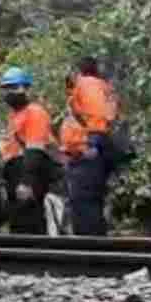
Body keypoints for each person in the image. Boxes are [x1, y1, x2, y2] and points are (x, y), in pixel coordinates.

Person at [59, 58, 117, 236]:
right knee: (89, 201)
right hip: (90, 149)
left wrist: (93, 143)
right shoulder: (103, 87)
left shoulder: (88, 84)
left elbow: (98, 117)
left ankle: (90, 248)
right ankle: (93, 246)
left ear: (80, 71)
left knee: (85, 202)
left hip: (87, 151)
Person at [0, 67, 56, 234]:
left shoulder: (35, 112)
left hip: (29, 170)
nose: (10, 92)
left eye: (14, 87)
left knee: (30, 220)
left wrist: (27, 182)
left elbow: (35, 150)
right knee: (18, 220)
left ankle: (36, 256)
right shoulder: (15, 115)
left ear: (26, 89)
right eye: (7, 89)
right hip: (15, 171)